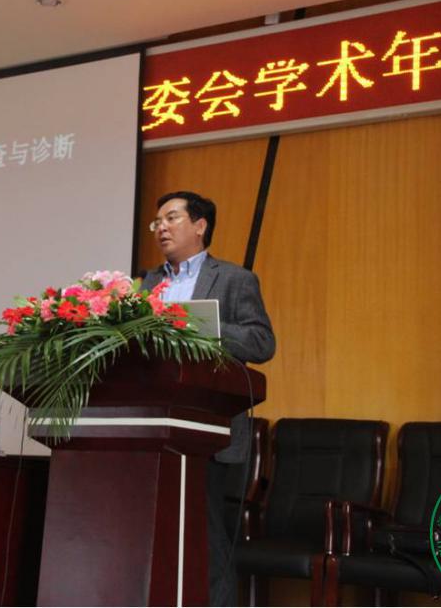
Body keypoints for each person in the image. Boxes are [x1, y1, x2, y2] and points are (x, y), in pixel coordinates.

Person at [142, 190, 276, 607]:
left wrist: (203, 325)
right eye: (157, 222)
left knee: (208, 542)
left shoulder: (235, 279)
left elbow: (261, 342)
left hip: (208, 432)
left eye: (172, 218)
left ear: (200, 226)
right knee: (157, 539)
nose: (161, 227)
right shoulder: (148, 282)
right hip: (154, 430)